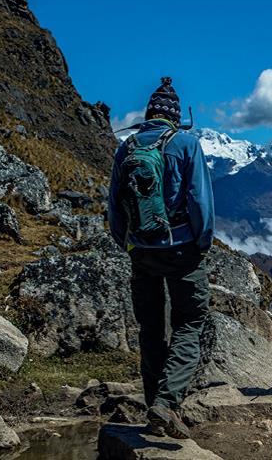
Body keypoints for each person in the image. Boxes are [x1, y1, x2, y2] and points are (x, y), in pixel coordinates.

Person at [108, 77, 214, 439]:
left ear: (148, 114)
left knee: (150, 329)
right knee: (190, 322)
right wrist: (202, 241)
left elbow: (114, 208)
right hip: (182, 248)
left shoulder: (127, 148)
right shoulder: (187, 144)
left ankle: (156, 404)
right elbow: (200, 201)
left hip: (142, 252)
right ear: (175, 116)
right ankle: (166, 405)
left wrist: (131, 245)